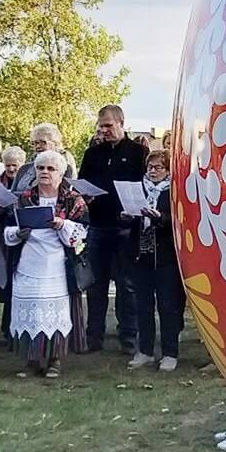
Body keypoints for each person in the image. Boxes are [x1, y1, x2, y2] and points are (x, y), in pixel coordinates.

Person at [2, 150, 89, 377]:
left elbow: (82, 233)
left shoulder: (73, 200)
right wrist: (18, 233)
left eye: (50, 169)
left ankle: (55, 359)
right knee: (30, 310)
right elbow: (7, 228)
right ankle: (31, 360)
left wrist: (63, 225)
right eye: (41, 168)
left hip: (58, 264)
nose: (45, 172)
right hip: (28, 261)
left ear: (61, 174)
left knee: (54, 313)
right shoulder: (24, 198)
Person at [79, 105, 147, 353]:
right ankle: (93, 336)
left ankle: (128, 336)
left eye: (108, 125)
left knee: (126, 284)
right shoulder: (92, 153)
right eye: (101, 126)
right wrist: (84, 196)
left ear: (121, 122)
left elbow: (145, 185)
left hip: (126, 228)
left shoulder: (139, 152)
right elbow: (83, 182)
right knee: (96, 284)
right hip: (98, 224)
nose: (104, 130)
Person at [126, 150, 184, 372]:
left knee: (167, 306)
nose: (152, 171)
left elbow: (179, 222)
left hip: (165, 257)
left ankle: (170, 353)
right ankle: (145, 350)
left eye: (158, 167)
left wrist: (160, 219)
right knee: (142, 305)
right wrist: (126, 218)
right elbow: (128, 224)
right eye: (150, 167)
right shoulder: (139, 189)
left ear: (168, 170)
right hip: (141, 255)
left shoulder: (172, 191)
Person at [0, 144, 27, 309]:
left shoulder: (27, 183)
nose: (10, 169)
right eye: (7, 165)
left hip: (21, 231)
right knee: (2, 270)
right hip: (2, 230)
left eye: (14, 165)